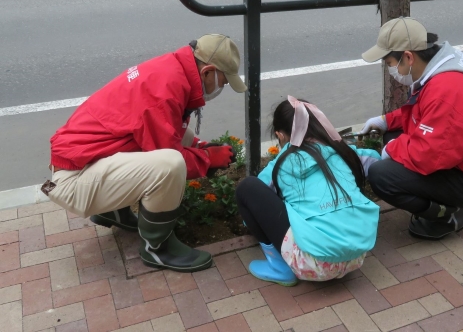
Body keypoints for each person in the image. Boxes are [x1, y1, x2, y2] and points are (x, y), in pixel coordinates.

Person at [45, 34, 247, 273]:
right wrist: (208, 159)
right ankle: (158, 247)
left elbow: (167, 128)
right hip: (75, 181)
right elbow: (168, 153)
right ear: (207, 72)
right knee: (170, 165)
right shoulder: (164, 93)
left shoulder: (172, 70)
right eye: (222, 82)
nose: (221, 88)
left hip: (86, 161)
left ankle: (113, 212)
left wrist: (200, 145)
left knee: (160, 144)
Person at [360, 17, 463, 240]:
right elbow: (423, 115)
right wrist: (386, 121)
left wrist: (392, 150)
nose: (391, 70)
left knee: (381, 176)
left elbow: (430, 155)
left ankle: (447, 215)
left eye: (390, 63)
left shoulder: (445, 89)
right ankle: (443, 204)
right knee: (393, 136)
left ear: (408, 57)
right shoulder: (439, 73)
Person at [235, 97, 380, 286]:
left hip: (312, 263)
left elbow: (252, 211)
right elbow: (375, 160)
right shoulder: (344, 152)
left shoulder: (280, 164)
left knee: (247, 188)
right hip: (357, 254)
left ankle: (279, 267)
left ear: (280, 134)